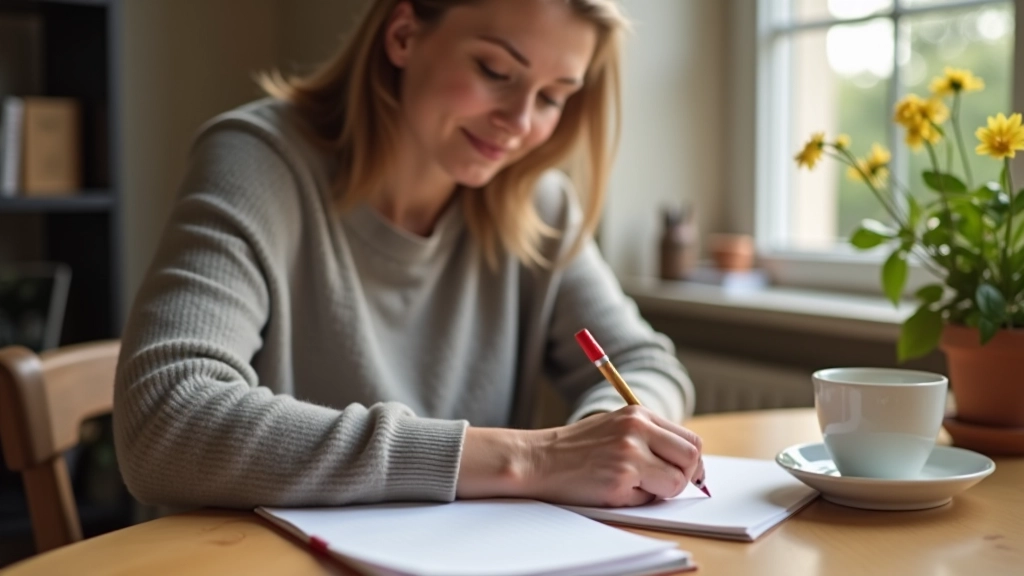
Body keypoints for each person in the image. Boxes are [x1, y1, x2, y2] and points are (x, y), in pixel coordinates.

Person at [113, 0, 702, 511]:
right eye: (495, 71)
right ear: (402, 34)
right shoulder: (257, 163)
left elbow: (645, 363)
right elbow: (166, 418)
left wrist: (607, 439)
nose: (519, 123)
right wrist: (532, 458)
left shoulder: (538, 204)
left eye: (552, 97)